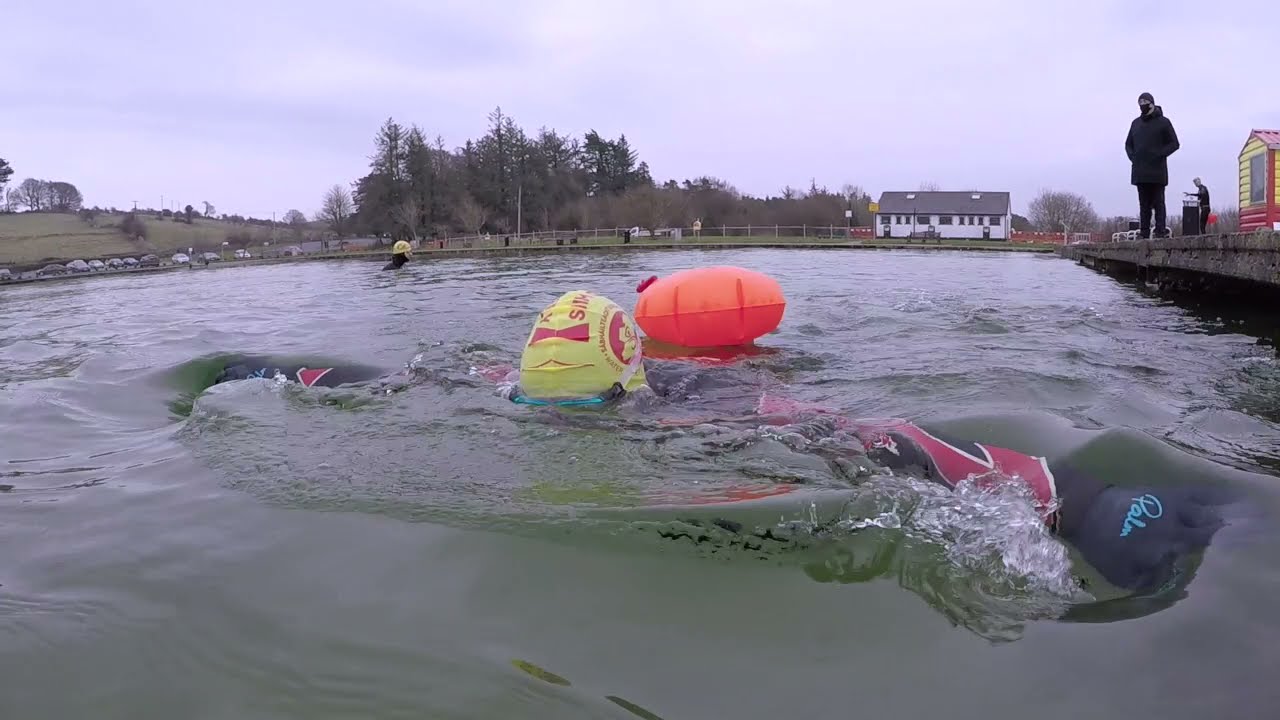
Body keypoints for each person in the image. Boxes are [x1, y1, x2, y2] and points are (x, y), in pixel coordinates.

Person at [204, 291, 1230, 603]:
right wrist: (276, 372)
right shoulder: (501, 390)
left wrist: (1074, 496)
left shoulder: (695, 410)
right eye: (535, 411)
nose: (551, 430)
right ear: (514, 389)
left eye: (579, 414)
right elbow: (396, 385)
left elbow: (879, 437)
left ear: (621, 395)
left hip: (731, 393)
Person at [1125, 92, 1180, 239]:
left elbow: (1174, 143)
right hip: (1140, 171)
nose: (1142, 106)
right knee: (1144, 204)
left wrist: (1159, 154)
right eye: (1140, 103)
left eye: (1145, 103)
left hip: (1157, 171)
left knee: (1158, 202)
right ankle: (1144, 232)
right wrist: (1133, 158)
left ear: (1152, 103)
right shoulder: (1135, 123)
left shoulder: (1164, 122)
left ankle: (1160, 231)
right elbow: (1128, 144)